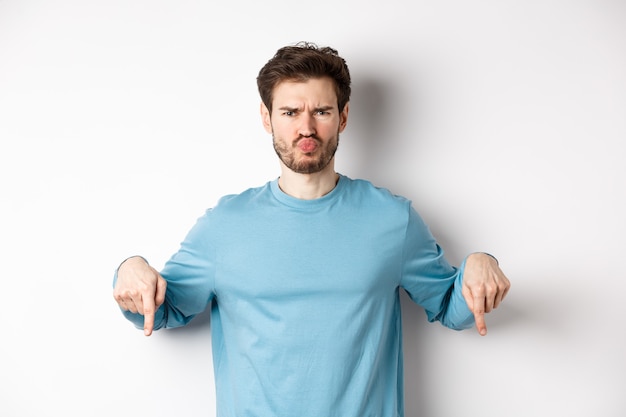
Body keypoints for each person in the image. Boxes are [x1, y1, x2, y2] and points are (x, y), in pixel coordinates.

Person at [113, 41, 510, 417]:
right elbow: (162, 309)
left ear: (344, 116)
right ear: (267, 118)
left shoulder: (392, 219)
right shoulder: (224, 226)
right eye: (289, 112)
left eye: (321, 111)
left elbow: (450, 305)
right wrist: (130, 268)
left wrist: (480, 262)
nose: (306, 128)